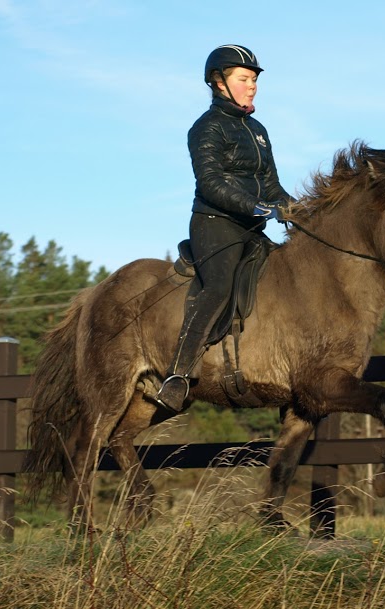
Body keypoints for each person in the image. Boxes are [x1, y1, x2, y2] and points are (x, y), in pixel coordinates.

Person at [152, 44, 293, 413]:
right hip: (215, 224)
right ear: (219, 82)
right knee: (217, 287)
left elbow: (271, 184)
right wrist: (257, 206)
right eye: (244, 79)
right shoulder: (206, 128)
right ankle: (178, 375)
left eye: (254, 80)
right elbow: (212, 183)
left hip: (251, 228)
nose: (253, 86)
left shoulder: (258, 130)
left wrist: (296, 209)